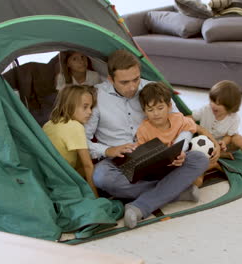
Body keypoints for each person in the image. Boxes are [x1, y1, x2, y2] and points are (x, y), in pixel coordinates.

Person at [85, 49, 210, 229]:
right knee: (102, 177)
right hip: (120, 161)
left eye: (136, 79)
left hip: (160, 155)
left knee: (199, 159)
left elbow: (181, 122)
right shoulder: (96, 96)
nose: (133, 87)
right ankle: (174, 191)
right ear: (110, 79)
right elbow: (83, 141)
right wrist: (107, 150)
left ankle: (141, 205)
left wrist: (179, 150)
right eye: (125, 82)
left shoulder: (153, 89)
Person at [191, 80, 242, 186]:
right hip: (205, 145)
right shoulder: (205, 109)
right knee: (198, 160)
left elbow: (229, 135)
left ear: (229, 107)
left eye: (218, 104)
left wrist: (223, 142)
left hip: (225, 145)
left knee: (237, 137)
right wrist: (180, 121)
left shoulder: (233, 118)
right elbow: (191, 117)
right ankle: (216, 161)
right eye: (212, 101)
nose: (213, 105)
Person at [43, 85, 99, 197]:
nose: (90, 112)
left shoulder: (49, 124)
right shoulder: (75, 127)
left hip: (47, 177)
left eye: (91, 107)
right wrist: (95, 197)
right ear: (70, 105)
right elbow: (88, 165)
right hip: (64, 179)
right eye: (85, 107)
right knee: (99, 167)